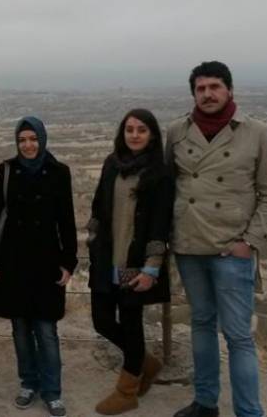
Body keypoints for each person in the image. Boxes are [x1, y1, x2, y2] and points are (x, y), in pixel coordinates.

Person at [167, 61, 267, 417]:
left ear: (229, 90)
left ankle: (249, 412)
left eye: (214, 86)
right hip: (189, 246)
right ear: (193, 94)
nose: (208, 94)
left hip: (231, 249)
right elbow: (166, 186)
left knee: (238, 336)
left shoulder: (257, 132)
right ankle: (205, 403)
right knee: (201, 324)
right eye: (201, 88)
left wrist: (250, 241)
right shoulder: (177, 131)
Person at [0, 116, 78, 417]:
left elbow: (67, 220)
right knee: (20, 330)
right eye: (22, 140)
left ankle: (52, 391)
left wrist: (68, 262)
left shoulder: (59, 172)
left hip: (46, 263)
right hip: (13, 263)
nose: (28, 145)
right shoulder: (6, 170)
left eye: (33, 139)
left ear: (42, 139)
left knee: (46, 331)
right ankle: (28, 383)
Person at [87, 109, 173, 415]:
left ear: (152, 135)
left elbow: (161, 224)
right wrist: (93, 236)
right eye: (130, 129)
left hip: (133, 265)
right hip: (106, 259)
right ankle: (145, 363)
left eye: (141, 130)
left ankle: (127, 392)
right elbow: (98, 205)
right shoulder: (112, 164)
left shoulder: (160, 174)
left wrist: (152, 267)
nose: (134, 135)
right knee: (102, 320)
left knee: (130, 323)